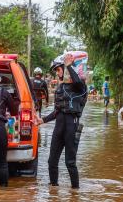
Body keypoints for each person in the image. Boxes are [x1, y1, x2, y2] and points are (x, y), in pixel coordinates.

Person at [36, 54, 87, 189]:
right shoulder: (60, 88)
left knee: (70, 162)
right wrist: (43, 120)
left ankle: (75, 193)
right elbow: (57, 111)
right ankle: (54, 189)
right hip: (59, 127)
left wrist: (69, 65)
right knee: (52, 161)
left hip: (72, 126)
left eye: (59, 69)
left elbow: (76, 82)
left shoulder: (80, 87)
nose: (57, 73)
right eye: (56, 71)